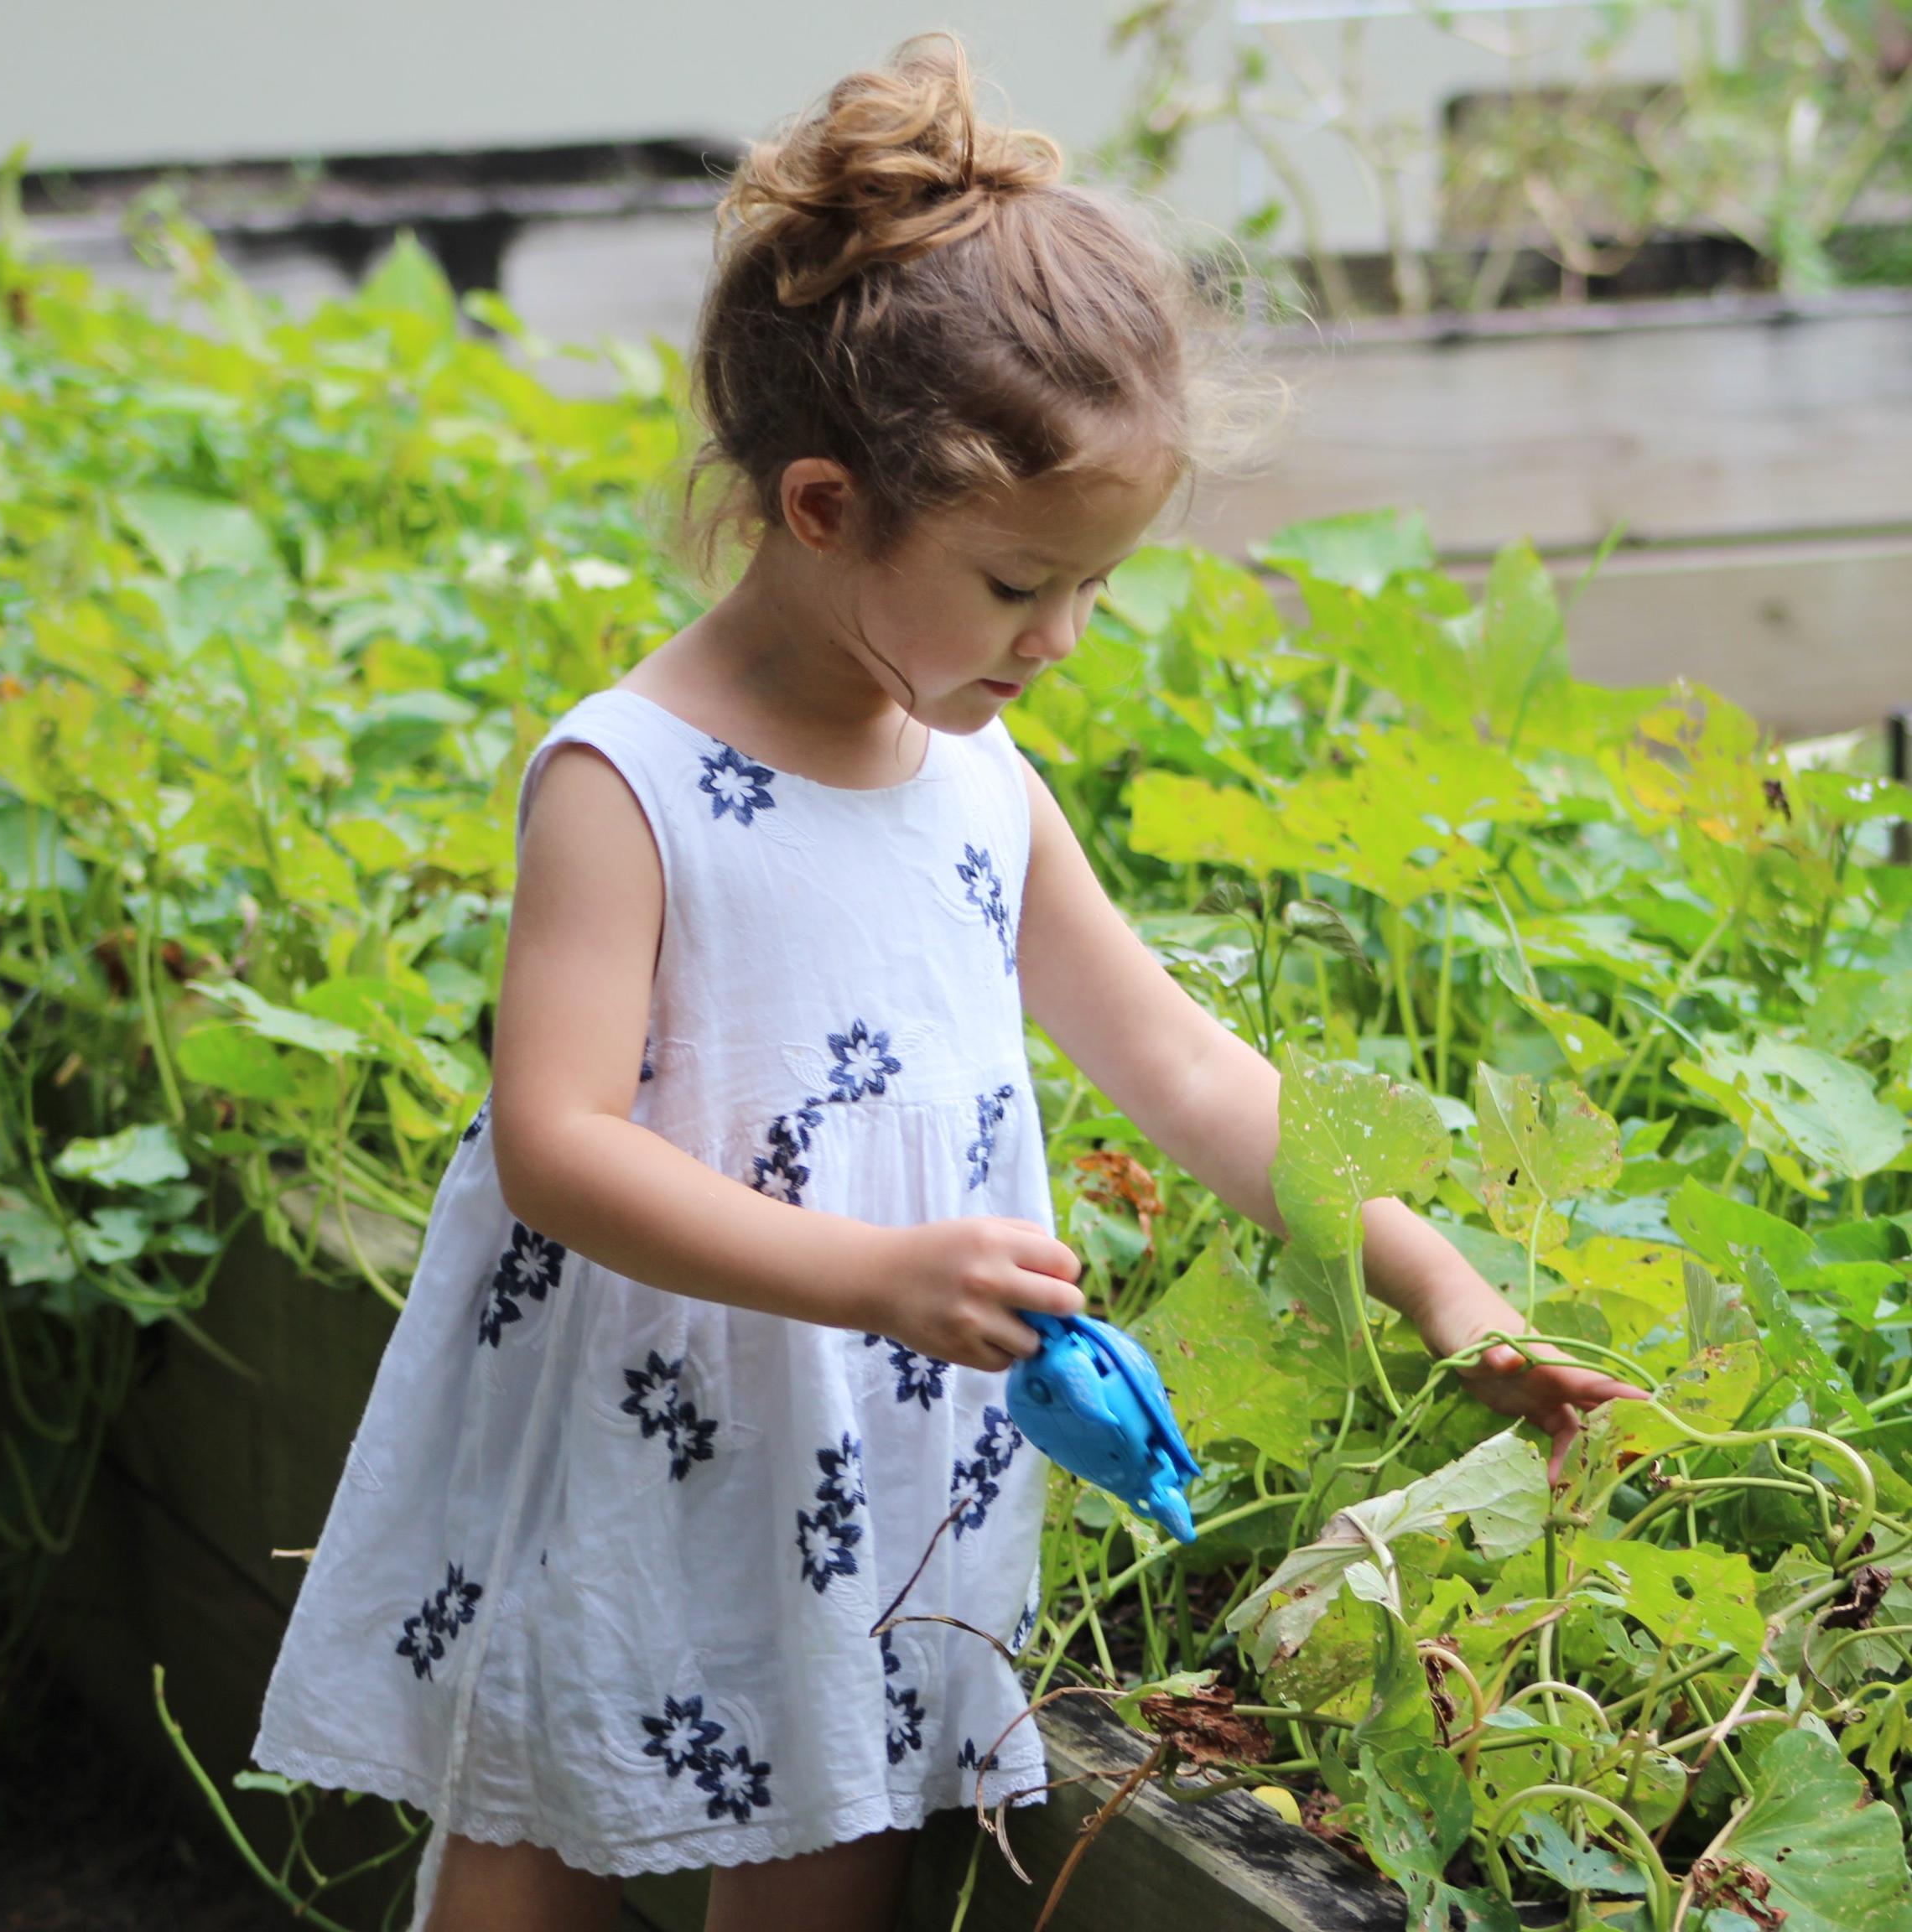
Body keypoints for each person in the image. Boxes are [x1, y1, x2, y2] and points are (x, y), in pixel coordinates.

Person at [248, 30, 1644, 1932]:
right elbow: (555, 1143)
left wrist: (1438, 1283)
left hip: (880, 1465)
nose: (1060, 638)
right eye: (1015, 586)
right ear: (822, 507)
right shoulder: (631, 781)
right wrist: (875, 1276)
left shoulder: (979, 786)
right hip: (654, 1427)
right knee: (540, 1839)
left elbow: (1193, 1074)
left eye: (1091, 588)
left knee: (836, 1849)